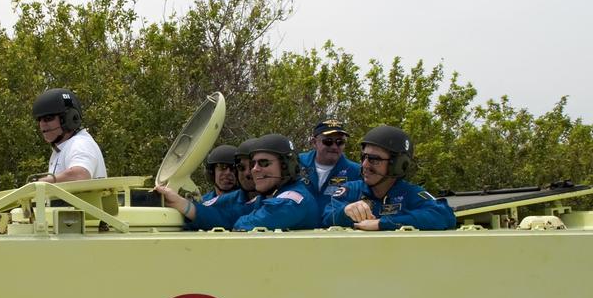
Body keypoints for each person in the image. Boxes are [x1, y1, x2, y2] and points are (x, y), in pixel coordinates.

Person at [157, 134, 321, 231]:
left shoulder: (293, 201)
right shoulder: (269, 196)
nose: (254, 170)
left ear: (287, 167)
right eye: (253, 164)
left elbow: (246, 224)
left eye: (264, 163)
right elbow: (227, 214)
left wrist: (235, 221)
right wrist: (182, 204)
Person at [322, 125, 457, 231]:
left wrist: (383, 223)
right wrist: (345, 212)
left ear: (397, 165)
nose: (365, 165)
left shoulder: (410, 194)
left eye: (374, 159)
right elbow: (327, 216)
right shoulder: (351, 190)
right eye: (364, 157)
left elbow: (444, 216)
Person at [32, 88, 106, 182]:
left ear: (70, 118)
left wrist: (38, 184)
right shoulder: (62, 149)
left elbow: (80, 175)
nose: (42, 124)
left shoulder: (80, 143)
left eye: (48, 118)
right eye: (39, 120)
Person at [298, 117, 361, 202]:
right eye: (328, 141)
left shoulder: (356, 172)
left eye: (340, 142)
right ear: (314, 142)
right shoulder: (297, 162)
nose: (334, 147)